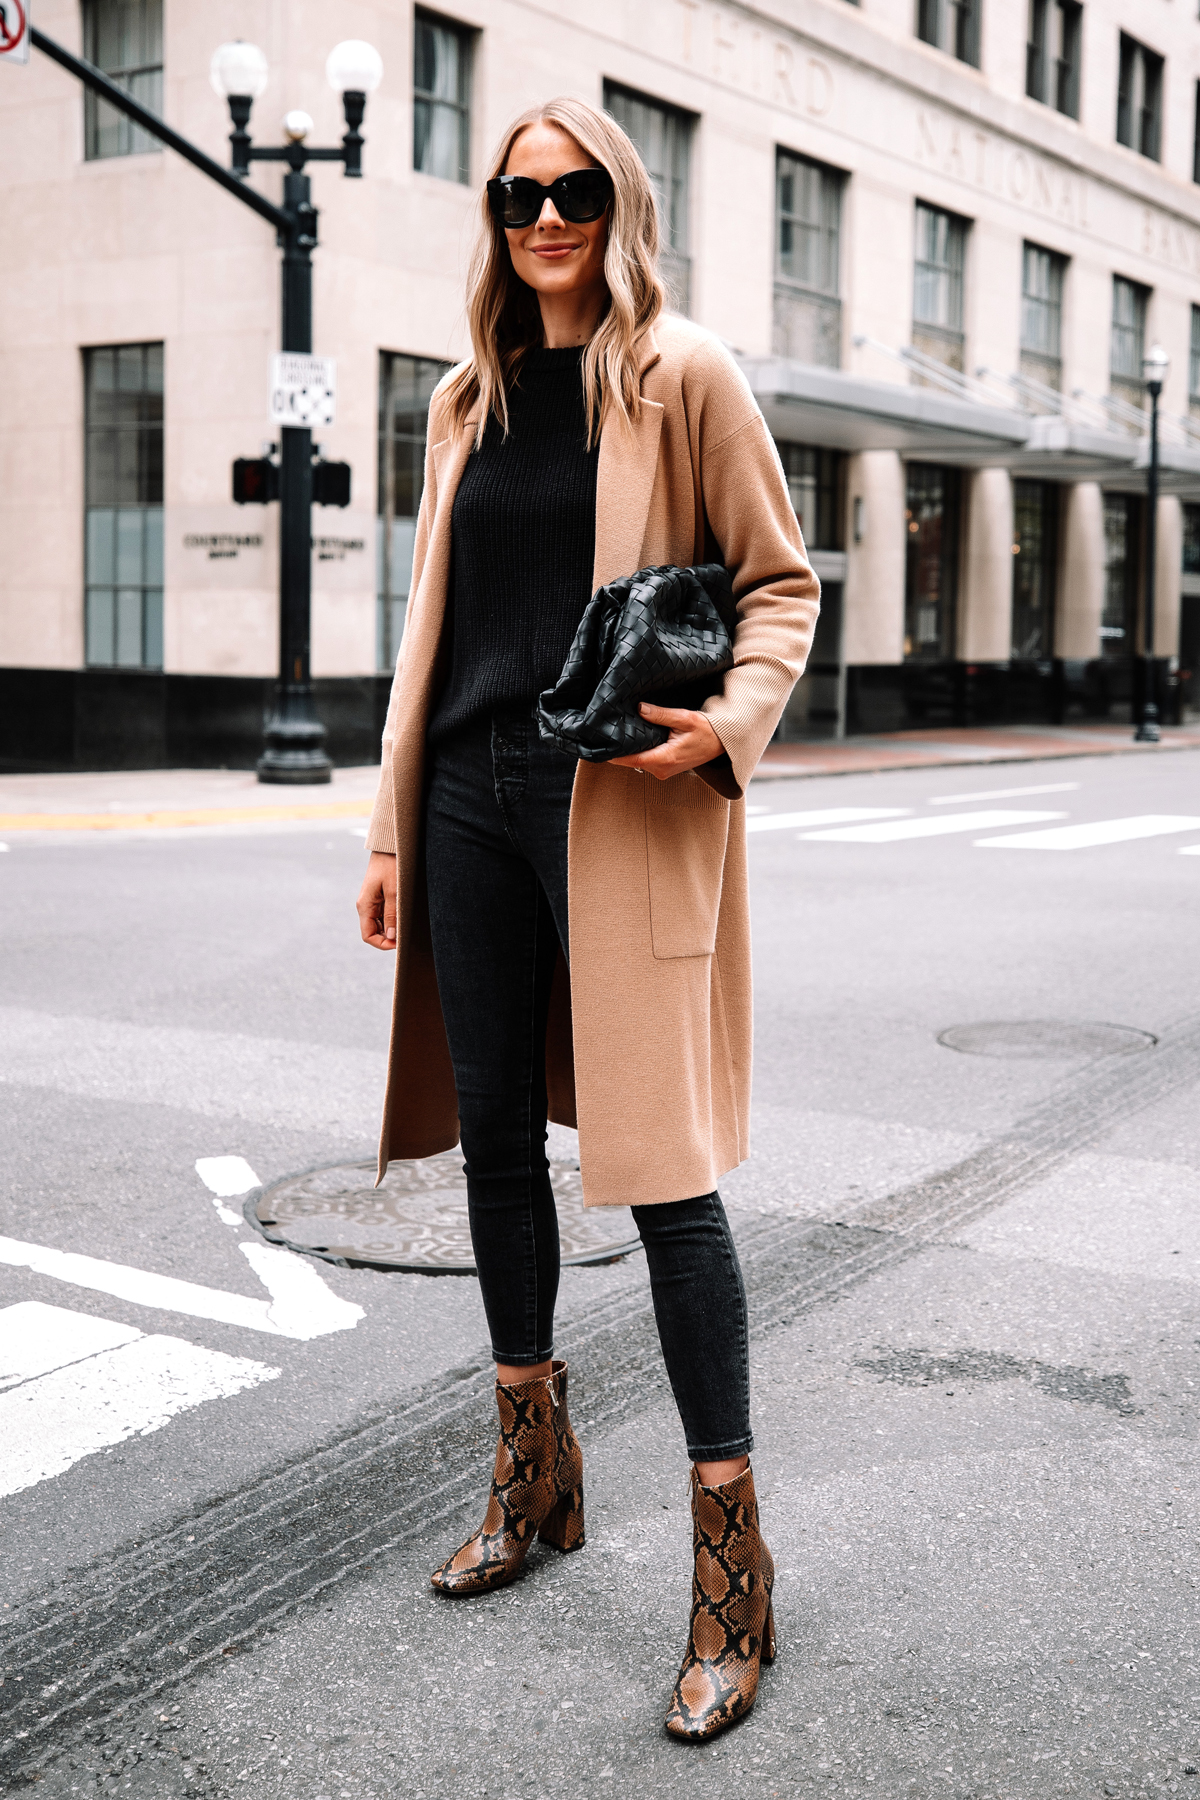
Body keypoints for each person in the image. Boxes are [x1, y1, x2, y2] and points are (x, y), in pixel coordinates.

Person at [356, 96, 818, 1743]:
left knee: (667, 1181)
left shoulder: (680, 371)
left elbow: (780, 583)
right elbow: (434, 625)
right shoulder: (466, 399)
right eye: (516, 195)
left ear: (617, 205)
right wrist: (391, 822)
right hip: (472, 804)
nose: (543, 218)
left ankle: (732, 1574)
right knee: (493, 1146)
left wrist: (730, 724)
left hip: (614, 805)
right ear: (493, 217)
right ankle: (536, 1478)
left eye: (571, 192)